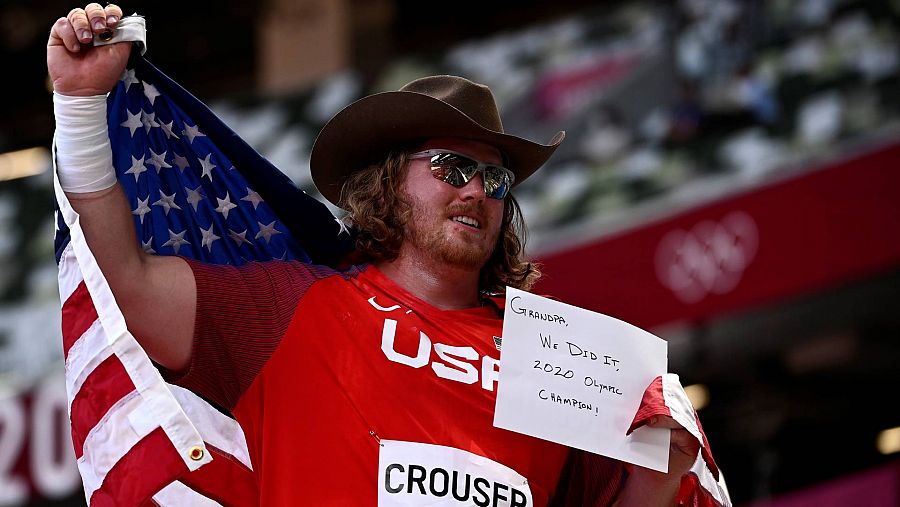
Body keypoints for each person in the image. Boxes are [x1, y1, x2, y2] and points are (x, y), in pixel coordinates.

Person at [49, 4, 723, 506]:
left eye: (495, 180)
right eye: (454, 167)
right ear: (388, 181)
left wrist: (663, 463)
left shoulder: (554, 356)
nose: (477, 192)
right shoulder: (290, 305)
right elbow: (123, 290)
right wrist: (80, 108)